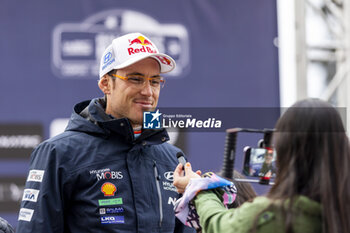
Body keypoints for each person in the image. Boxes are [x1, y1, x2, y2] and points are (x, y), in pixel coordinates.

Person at [17, 32, 194, 233]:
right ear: (105, 84)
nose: (148, 92)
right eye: (136, 79)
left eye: (154, 81)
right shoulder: (58, 153)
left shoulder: (172, 158)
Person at [174, 98, 350, 233]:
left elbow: (219, 226)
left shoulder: (276, 215)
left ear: (286, 151)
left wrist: (200, 187)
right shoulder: (339, 212)